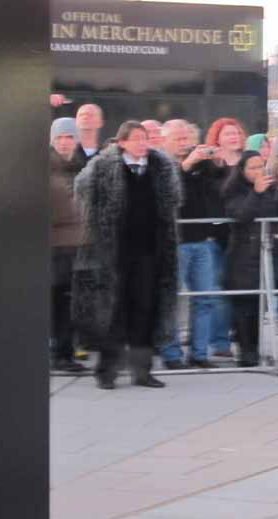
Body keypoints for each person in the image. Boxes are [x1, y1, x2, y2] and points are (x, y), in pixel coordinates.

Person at [73, 121, 181, 390]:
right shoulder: (103, 167)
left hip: (149, 253)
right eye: (136, 139)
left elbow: (172, 202)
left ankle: (142, 372)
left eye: (145, 139)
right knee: (113, 312)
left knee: (144, 311)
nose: (142, 144)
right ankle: (106, 372)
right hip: (113, 253)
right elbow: (81, 192)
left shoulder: (160, 168)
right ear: (122, 143)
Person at [160, 120, 224, 370]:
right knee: (172, 300)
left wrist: (215, 161)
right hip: (174, 242)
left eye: (186, 137)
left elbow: (219, 185)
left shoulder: (200, 163)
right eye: (178, 138)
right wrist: (186, 165)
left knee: (205, 298)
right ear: (165, 141)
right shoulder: (160, 163)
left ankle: (199, 353)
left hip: (202, 241)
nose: (184, 142)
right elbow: (168, 191)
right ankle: (171, 354)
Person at [222, 151, 278, 367]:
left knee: (258, 305)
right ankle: (245, 352)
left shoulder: (270, 189)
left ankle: (254, 349)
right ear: (242, 171)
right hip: (242, 256)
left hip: (264, 253)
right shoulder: (234, 191)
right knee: (244, 306)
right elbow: (241, 216)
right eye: (252, 168)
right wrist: (256, 193)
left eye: (260, 166)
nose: (258, 172)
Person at [204, 117, 247, 357]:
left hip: (242, 236)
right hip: (216, 235)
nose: (233, 136)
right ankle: (219, 342)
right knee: (219, 289)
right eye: (228, 133)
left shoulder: (250, 163)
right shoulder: (211, 165)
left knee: (241, 290)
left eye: (236, 132)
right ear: (217, 137)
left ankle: (242, 339)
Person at [49, 117, 86, 373]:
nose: (64, 142)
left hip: (76, 246)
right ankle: (58, 353)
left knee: (70, 302)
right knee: (55, 301)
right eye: (60, 137)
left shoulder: (81, 166)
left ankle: (65, 353)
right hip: (52, 246)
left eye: (69, 137)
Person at [73, 104, 104, 168]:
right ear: (76, 121)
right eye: (81, 115)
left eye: (91, 115)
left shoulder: (108, 156)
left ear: (100, 122)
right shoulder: (66, 153)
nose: (85, 117)